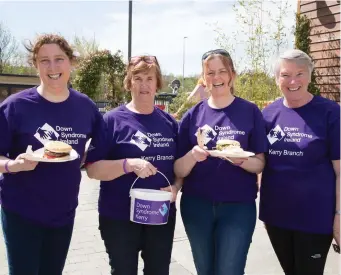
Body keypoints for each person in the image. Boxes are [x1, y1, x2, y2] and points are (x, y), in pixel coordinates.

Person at [0, 34, 104, 275]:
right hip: (21, 212)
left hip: (63, 212)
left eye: (59, 59)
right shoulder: (16, 106)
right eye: (44, 60)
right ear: (35, 65)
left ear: (70, 62)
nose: (53, 67)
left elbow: (102, 146)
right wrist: (12, 166)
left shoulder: (85, 107)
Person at [174, 49, 268, 275]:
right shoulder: (193, 115)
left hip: (237, 206)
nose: (216, 78)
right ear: (203, 78)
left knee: (229, 270)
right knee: (205, 271)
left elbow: (260, 164)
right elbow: (178, 169)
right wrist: (192, 156)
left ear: (232, 75)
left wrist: (240, 161)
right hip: (197, 206)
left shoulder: (249, 111)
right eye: (210, 73)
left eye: (222, 72)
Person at [85, 55, 181, 275]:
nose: (144, 85)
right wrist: (128, 164)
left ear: (158, 83)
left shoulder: (169, 123)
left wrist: (176, 187)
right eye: (137, 78)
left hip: (160, 215)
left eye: (149, 78)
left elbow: (179, 167)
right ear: (129, 83)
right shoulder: (111, 121)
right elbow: (92, 169)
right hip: (118, 216)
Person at [260, 49, 340, 275]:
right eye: (285, 75)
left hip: (316, 217)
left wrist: (339, 216)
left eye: (300, 73)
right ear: (277, 79)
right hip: (277, 216)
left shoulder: (330, 113)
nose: (293, 81)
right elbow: (261, 161)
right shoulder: (268, 115)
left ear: (310, 76)